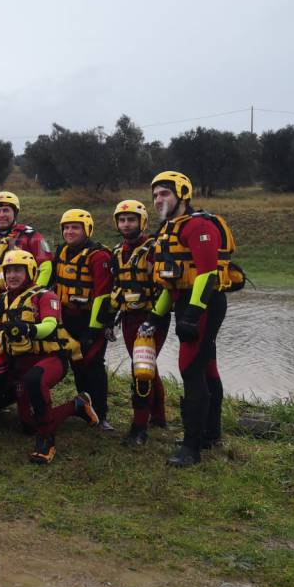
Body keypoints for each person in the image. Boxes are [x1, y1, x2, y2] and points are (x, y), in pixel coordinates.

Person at [0, 249, 98, 464]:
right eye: (9, 271)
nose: (12, 275)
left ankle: (46, 442)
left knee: (35, 380)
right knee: (29, 424)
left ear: (30, 271)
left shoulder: (45, 296)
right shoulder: (2, 299)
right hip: (21, 362)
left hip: (51, 358)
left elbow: (50, 325)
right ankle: (77, 406)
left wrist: (30, 330)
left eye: (18, 271)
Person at [145, 171, 239, 466]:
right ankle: (210, 434)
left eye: (165, 193)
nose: (159, 199)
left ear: (182, 194)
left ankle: (191, 447)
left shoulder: (199, 225)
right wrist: (154, 315)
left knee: (189, 367)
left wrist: (192, 314)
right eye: (156, 194)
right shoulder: (167, 229)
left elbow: (207, 273)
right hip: (185, 301)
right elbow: (172, 282)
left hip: (206, 302)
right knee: (207, 366)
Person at [110, 199, 170, 446]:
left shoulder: (155, 249)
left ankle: (139, 427)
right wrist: (107, 321)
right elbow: (116, 288)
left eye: (131, 220)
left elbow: (168, 285)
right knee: (147, 368)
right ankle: (159, 417)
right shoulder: (116, 252)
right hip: (128, 318)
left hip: (152, 318)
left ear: (142, 222)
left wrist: (154, 318)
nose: (126, 224)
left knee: (141, 371)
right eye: (122, 220)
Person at [53, 209, 114, 430]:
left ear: (86, 230)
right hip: (67, 318)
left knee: (93, 364)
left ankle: (102, 414)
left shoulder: (99, 257)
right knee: (77, 364)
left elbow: (103, 295)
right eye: (66, 228)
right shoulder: (61, 252)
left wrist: (94, 329)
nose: (69, 232)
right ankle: (85, 409)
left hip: (91, 319)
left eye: (75, 227)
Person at [0, 191, 52, 329]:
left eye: (6, 210)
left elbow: (46, 267)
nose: (1, 215)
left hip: (20, 303)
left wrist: (33, 296)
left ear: (15, 213)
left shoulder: (30, 236)